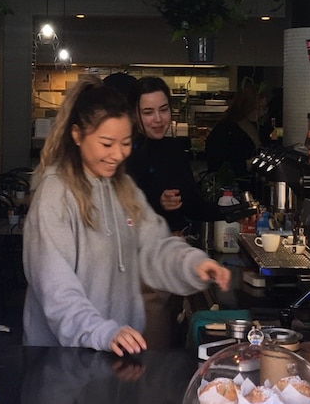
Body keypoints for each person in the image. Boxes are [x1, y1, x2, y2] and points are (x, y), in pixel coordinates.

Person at [22, 75, 231, 356]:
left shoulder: (121, 187)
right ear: (77, 136)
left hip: (113, 352)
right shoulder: (55, 194)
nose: (118, 155)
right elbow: (56, 289)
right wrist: (102, 332)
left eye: (125, 143)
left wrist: (191, 264)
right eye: (107, 144)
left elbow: (153, 246)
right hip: (61, 359)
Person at [126, 76, 226, 349]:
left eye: (163, 109)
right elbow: (121, 209)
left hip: (175, 253)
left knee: (171, 341)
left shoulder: (174, 149)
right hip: (145, 261)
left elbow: (191, 203)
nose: (158, 119)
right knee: (153, 350)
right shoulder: (127, 152)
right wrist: (158, 203)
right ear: (135, 115)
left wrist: (234, 214)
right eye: (148, 112)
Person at [203, 83, 266, 189]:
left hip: (252, 185)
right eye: (258, 108)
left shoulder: (258, 127)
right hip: (231, 188)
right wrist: (245, 164)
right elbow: (216, 164)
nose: (262, 113)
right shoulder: (224, 130)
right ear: (246, 106)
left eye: (264, 108)